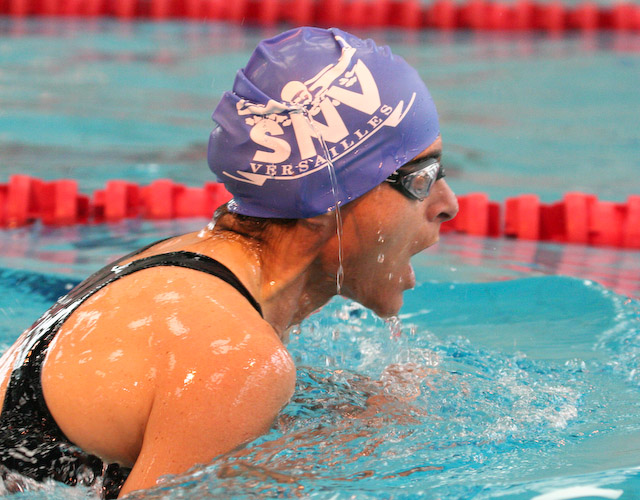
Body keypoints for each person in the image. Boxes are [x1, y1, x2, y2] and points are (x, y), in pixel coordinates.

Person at [0, 27, 458, 498]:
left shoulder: (185, 267)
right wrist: (367, 446)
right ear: (328, 198)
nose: (449, 204)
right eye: (421, 178)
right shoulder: (235, 355)